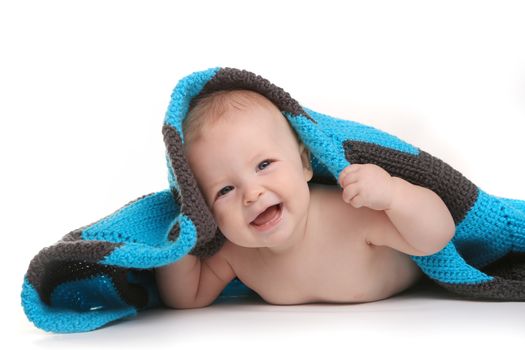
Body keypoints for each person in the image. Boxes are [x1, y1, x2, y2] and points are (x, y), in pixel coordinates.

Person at [155, 90, 456, 308]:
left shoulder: (349, 212)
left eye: (264, 165)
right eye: (224, 190)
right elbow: (187, 297)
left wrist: (392, 193)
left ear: (304, 163)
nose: (251, 194)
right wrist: (180, 241)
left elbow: (436, 236)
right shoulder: (238, 253)